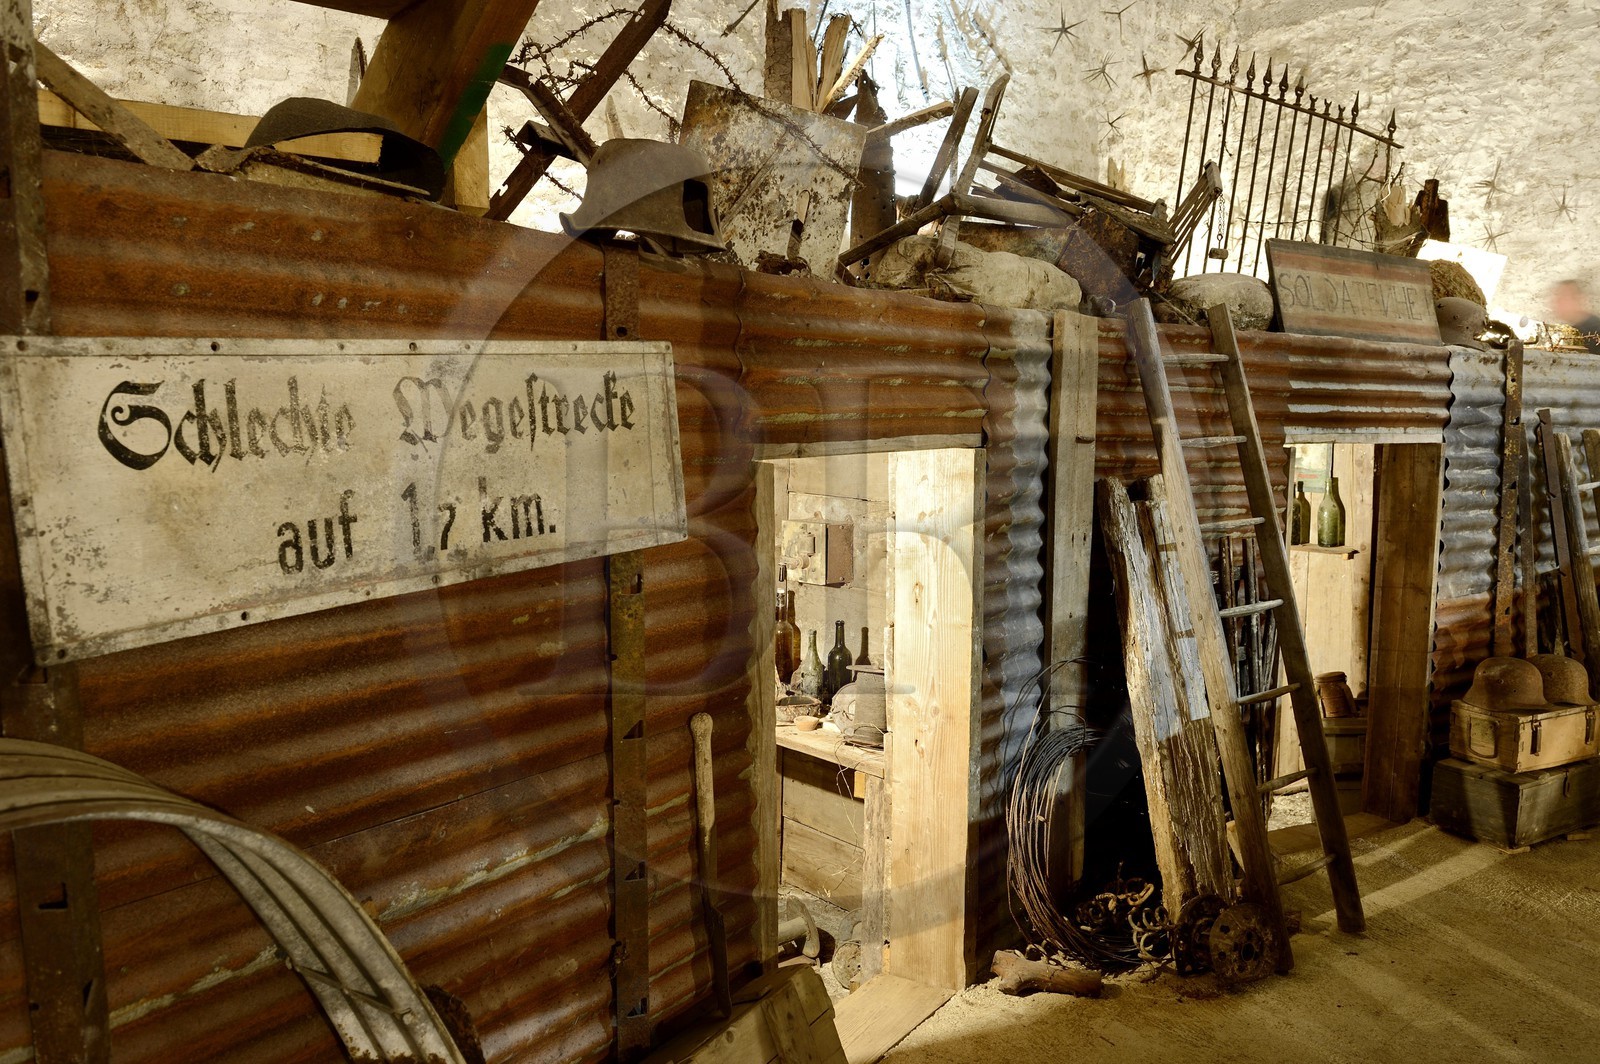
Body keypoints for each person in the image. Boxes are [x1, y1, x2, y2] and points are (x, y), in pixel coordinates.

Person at [1550, 279, 1600, 353]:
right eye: (1558, 297)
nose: (1558, 302)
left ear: (1579, 299)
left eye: (1564, 297)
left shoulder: (1596, 330)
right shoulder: (1572, 330)